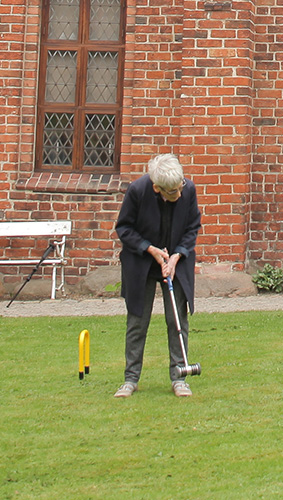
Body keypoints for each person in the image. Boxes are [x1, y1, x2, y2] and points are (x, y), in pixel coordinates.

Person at [113, 153, 201, 398]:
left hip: (176, 263)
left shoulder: (187, 189)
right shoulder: (137, 191)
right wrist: (149, 249)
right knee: (137, 322)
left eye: (180, 187)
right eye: (173, 192)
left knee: (177, 321)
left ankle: (179, 377)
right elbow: (124, 228)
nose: (179, 194)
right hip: (141, 262)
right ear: (157, 188)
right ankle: (130, 379)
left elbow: (192, 227)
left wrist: (176, 256)